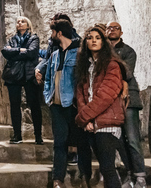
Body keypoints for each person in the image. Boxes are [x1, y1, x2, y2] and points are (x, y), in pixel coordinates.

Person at [75, 26, 127, 188]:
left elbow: (105, 96)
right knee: (105, 169)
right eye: (90, 38)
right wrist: (86, 120)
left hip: (107, 123)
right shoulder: (85, 65)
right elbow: (81, 94)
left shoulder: (112, 65)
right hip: (91, 124)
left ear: (103, 42)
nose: (94, 41)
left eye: (98, 38)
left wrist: (83, 118)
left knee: (107, 168)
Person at [43, 19, 91, 188]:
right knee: (59, 142)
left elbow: (84, 79)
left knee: (81, 142)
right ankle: (58, 179)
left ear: (59, 33)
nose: (52, 35)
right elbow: (49, 77)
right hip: (56, 106)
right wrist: (47, 96)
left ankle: (86, 176)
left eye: (53, 32)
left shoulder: (79, 53)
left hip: (74, 105)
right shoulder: (55, 54)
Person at [106, 22, 146, 188]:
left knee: (132, 139)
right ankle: (128, 174)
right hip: (111, 100)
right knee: (120, 141)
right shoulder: (102, 51)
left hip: (128, 99)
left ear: (121, 32)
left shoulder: (128, 51)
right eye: (109, 28)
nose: (112, 30)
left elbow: (126, 72)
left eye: (116, 28)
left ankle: (141, 176)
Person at [1, 16, 42, 144]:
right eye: (18, 22)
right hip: (14, 76)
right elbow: (5, 51)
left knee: (34, 105)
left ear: (28, 24)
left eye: (23, 21)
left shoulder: (33, 38)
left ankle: (38, 136)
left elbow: (32, 53)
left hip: (29, 75)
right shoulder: (12, 39)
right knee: (14, 105)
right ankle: (17, 135)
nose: (20, 23)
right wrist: (19, 49)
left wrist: (14, 54)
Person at [35, 13, 80, 84]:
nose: (52, 34)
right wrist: (39, 68)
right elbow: (48, 57)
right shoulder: (54, 41)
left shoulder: (76, 45)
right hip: (55, 81)